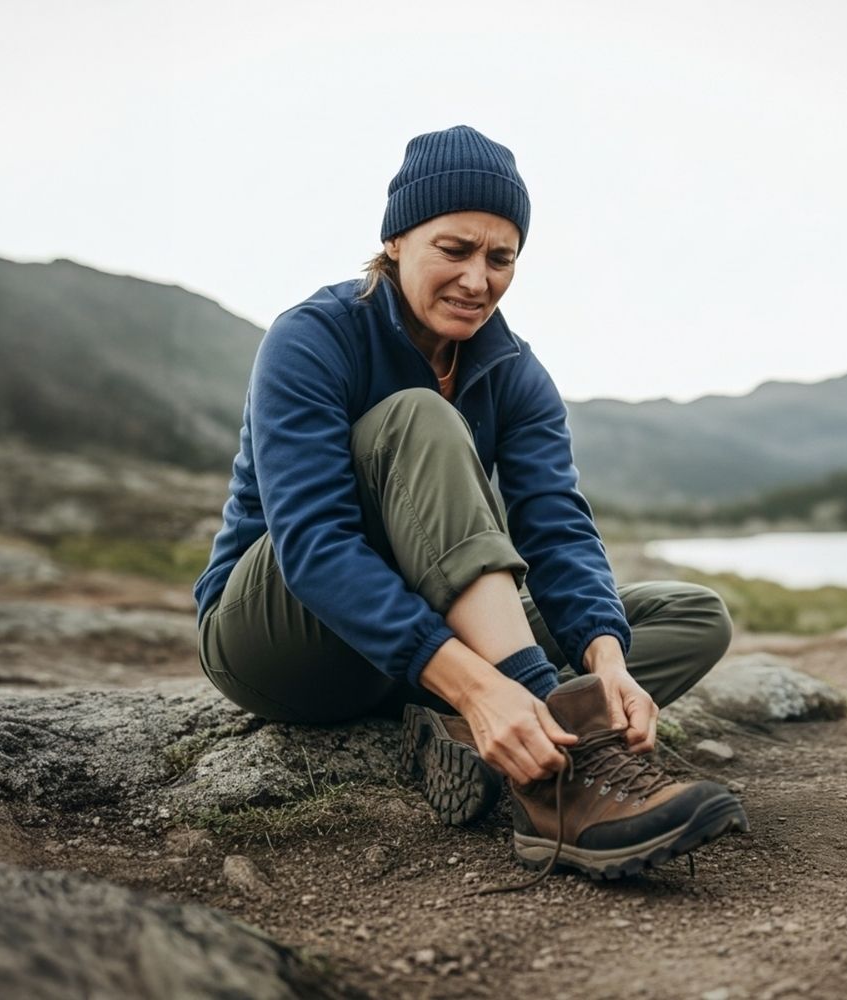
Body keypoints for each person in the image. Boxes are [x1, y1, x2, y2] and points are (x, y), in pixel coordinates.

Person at [194, 124, 747, 882]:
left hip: (403, 653)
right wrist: (488, 680)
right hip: (283, 634)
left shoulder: (515, 372)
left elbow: (556, 528)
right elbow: (313, 543)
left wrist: (606, 655)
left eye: (501, 257)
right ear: (395, 240)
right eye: (454, 250)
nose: (478, 280)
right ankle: (562, 770)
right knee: (418, 413)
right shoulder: (313, 337)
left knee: (687, 617)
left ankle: (472, 730)